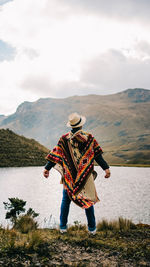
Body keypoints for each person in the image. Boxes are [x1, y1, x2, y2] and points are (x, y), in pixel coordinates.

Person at [43, 112, 110, 234]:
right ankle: (92, 229)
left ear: (71, 126)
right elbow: (98, 156)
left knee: (65, 201)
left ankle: (63, 228)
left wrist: (47, 168)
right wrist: (106, 169)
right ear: (81, 125)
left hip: (69, 176)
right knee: (88, 199)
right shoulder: (89, 138)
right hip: (85, 176)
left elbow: (56, 155)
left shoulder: (64, 139)